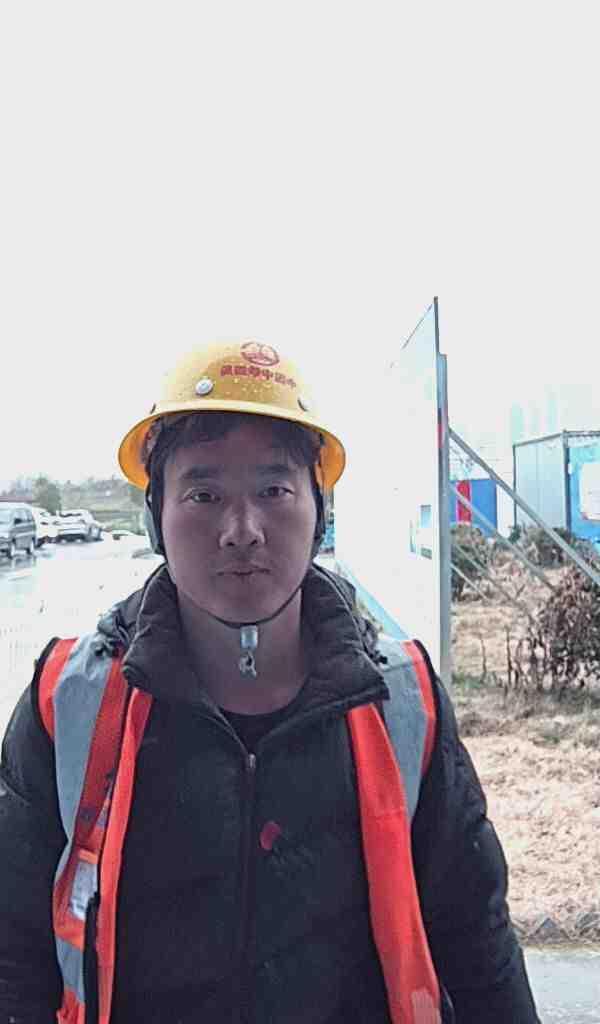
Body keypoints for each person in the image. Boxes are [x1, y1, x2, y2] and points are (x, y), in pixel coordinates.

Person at [0, 339, 540, 1024]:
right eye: (203, 494)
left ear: (319, 511)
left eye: (274, 490)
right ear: (156, 516)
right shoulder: (70, 703)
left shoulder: (404, 704)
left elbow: (476, 944)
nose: (242, 530)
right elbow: (13, 955)